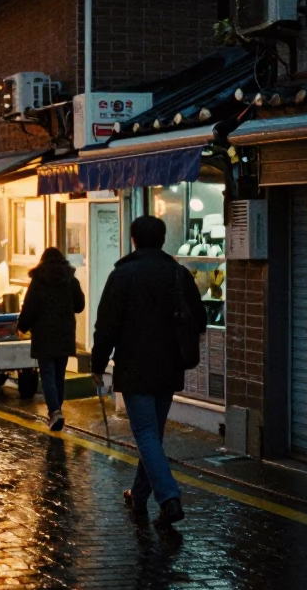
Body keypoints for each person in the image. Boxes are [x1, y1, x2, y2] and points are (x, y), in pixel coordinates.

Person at [92, 215, 207, 529]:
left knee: (145, 434)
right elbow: (200, 318)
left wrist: (97, 364)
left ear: (133, 239)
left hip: (136, 366)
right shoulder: (178, 273)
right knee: (151, 435)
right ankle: (139, 496)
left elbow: (106, 327)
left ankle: (169, 498)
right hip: (169, 366)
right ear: (163, 238)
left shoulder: (123, 275)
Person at [16, 248, 85, 431]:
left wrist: (22, 326)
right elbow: (80, 305)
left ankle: (55, 412)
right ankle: (57, 410)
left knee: (47, 374)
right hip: (64, 334)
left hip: (44, 335)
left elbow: (29, 307)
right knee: (59, 375)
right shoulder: (70, 279)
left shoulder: (39, 281)